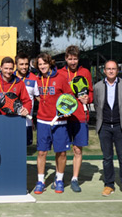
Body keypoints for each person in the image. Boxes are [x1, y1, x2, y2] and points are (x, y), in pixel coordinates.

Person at [93, 60, 122, 198]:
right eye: (108, 69)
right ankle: (109, 185)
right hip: (104, 127)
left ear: (118, 70)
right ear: (104, 71)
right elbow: (97, 104)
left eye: (113, 69)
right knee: (107, 158)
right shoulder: (98, 86)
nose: (111, 71)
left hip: (120, 126)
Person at [31, 53, 72, 194]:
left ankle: (59, 179)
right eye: (40, 64)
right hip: (43, 121)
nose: (42, 66)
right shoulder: (36, 79)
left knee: (61, 152)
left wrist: (67, 110)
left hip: (59, 121)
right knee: (42, 152)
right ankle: (40, 181)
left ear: (50, 64)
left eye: (44, 63)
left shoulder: (60, 78)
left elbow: (69, 97)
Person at [57, 46, 93, 192]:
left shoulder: (85, 72)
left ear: (78, 59)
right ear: (66, 58)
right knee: (61, 151)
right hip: (64, 118)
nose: (73, 62)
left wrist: (88, 99)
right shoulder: (59, 73)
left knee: (77, 150)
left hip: (80, 117)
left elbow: (91, 93)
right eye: (70, 59)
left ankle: (74, 179)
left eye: (75, 59)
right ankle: (59, 178)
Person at [14, 53, 39, 146]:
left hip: (27, 121)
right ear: (16, 65)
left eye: (26, 64)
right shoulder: (10, 77)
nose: (24, 67)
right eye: (21, 64)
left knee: (25, 149)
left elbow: (39, 98)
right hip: (12, 120)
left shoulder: (33, 78)